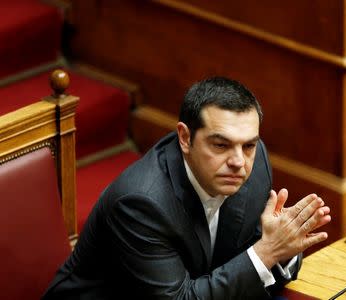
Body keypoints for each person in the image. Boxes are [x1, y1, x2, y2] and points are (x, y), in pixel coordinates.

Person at [43, 77, 331, 299]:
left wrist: (283, 247)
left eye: (249, 145)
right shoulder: (141, 202)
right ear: (184, 137)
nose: (238, 162)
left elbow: (244, 269)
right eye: (220, 145)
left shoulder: (251, 168)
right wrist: (267, 251)